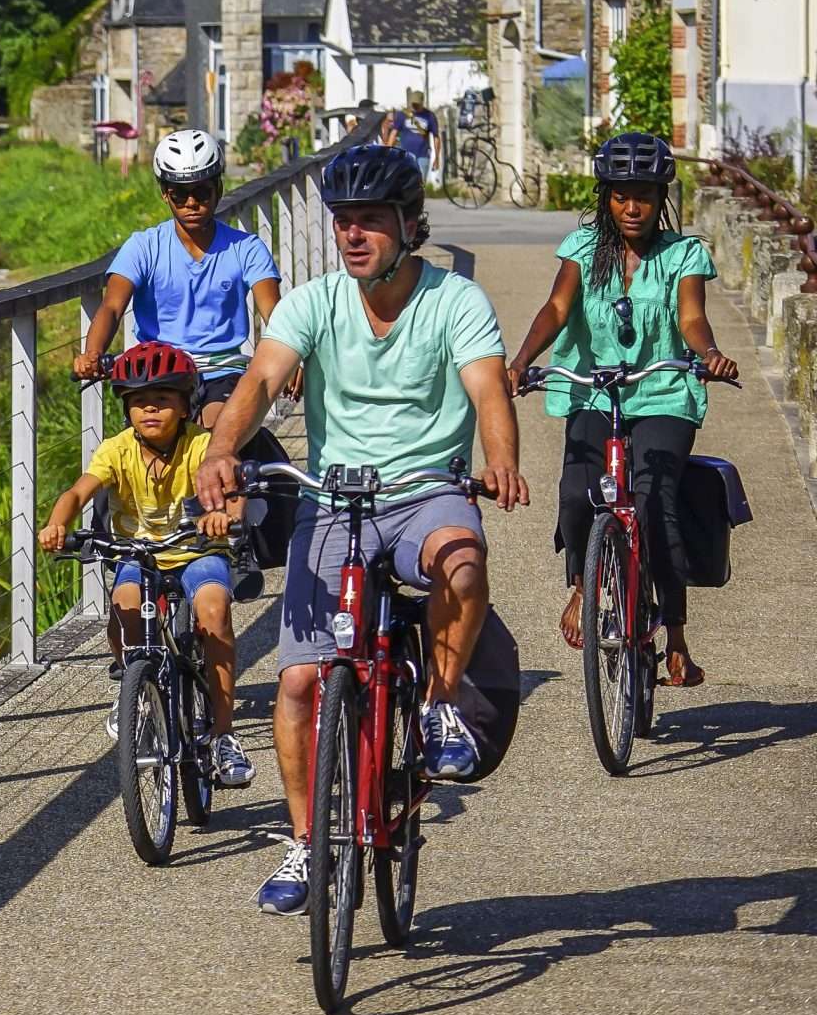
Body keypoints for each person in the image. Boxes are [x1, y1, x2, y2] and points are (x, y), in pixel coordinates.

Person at [196, 144, 529, 915]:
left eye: (370, 222)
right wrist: (220, 451)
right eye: (343, 221)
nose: (352, 235)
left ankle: (441, 701)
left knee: (464, 566)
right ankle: (307, 840)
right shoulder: (313, 302)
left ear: (410, 226)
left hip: (426, 490)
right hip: (334, 499)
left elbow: (487, 391)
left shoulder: (455, 301)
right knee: (300, 681)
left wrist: (502, 461)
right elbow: (261, 381)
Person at [503, 131, 737, 686]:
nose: (632, 208)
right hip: (593, 386)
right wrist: (520, 362)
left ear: (662, 200)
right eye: (620, 195)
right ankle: (583, 588)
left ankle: (675, 634)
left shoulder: (684, 254)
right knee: (576, 492)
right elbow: (557, 308)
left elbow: (690, 319)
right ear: (605, 197)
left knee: (656, 503)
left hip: (662, 393)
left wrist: (709, 354)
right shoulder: (582, 250)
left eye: (645, 196)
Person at [39, 341, 256, 788]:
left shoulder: (203, 445)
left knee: (214, 612)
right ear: (125, 409)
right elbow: (79, 492)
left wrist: (225, 518)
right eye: (138, 402)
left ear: (185, 404)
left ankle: (223, 734)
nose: (150, 410)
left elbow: (234, 494)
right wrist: (58, 522)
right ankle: (135, 690)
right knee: (124, 604)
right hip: (138, 553)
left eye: (162, 400)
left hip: (197, 550)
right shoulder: (117, 450)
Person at [75, 130, 282, 432]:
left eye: (201, 192)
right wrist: (92, 352)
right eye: (179, 194)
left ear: (219, 189)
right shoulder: (143, 246)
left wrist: (289, 359)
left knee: (215, 430)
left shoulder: (247, 248)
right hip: (159, 372)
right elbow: (112, 307)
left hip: (220, 371)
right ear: (164, 193)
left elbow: (273, 312)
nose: (191, 203)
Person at [381, 88, 441, 180]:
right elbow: (394, 133)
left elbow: (436, 137)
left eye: (417, 104)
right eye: (413, 104)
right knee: (404, 183)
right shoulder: (402, 115)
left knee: (420, 184)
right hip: (405, 155)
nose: (414, 106)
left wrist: (437, 158)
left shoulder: (429, 116)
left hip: (423, 155)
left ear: (422, 103)